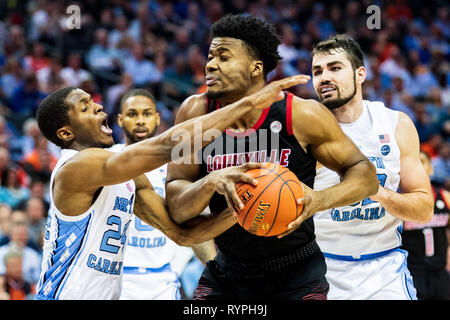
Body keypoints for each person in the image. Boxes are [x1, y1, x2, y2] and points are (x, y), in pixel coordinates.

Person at [33, 73, 309, 299]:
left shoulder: (123, 173)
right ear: (66, 133)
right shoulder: (74, 168)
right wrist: (247, 104)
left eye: (92, 101)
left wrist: (247, 205)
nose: (98, 106)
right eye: (85, 108)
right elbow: (168, 145)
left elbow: (182, 235)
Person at [165, 14, 378, 300]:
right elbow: (177, 205)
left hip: (296, 272)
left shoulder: (301, 115)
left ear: (256, 67)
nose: (210, 64)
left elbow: (365, 175)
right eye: (210, 56)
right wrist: (210, 182)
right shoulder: (194, 113)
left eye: (224, 57)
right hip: (228, 270)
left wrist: (320, 200)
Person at [311, 34, 434, 300]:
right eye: (317, 71)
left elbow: (424, 210)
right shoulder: (303, 133)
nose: (324, 78)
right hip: (321, 269)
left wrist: (375, 191)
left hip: (384, 271)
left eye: (335, 68)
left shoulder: (395, 124)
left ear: (360, 74)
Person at [112, 89, 215, 300]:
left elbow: (191, 224)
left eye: (146, 114)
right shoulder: (108, 161)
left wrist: (215, 269)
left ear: (157, 118)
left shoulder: (176, 166)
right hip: (117, 278)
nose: (140, 121)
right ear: (120, 120)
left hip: (162, 279)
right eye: (133, 114)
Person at [402, 151, 449, 300]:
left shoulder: (445, 197)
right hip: (412, 272)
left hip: (440, 271)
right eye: (414, 163)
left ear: (431, 168)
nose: (419, 167)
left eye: (422, 161)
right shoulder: (400, 202)